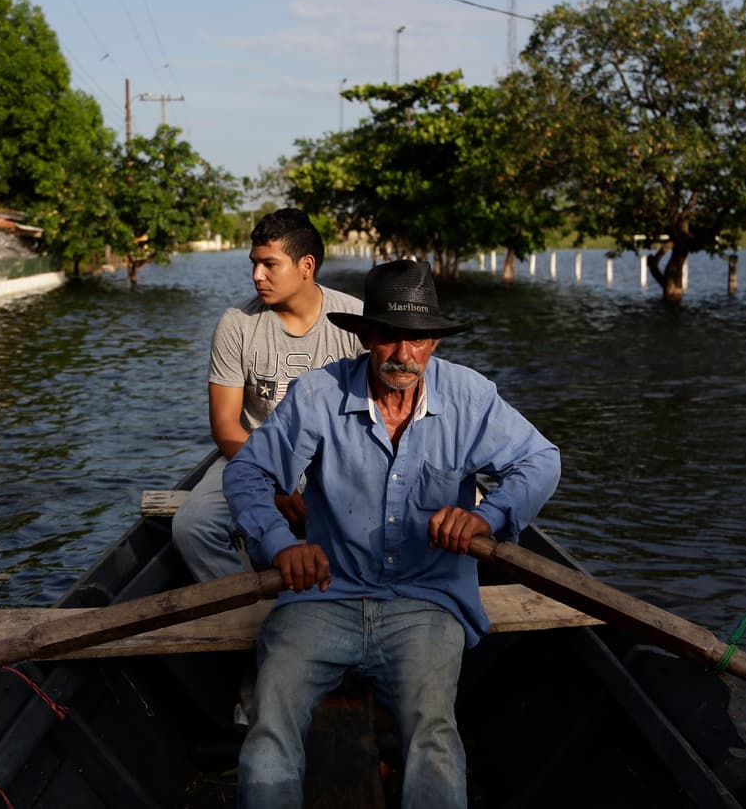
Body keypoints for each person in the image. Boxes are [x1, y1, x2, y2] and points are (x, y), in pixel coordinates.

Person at [224, 259, 561, 808]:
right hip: (325, 595)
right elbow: (246, 474)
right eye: (388, 337)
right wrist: (280, 545)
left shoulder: (470, 397)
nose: (403, 355)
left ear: (435, 342)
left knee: (434, 732)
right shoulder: (318, 395)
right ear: (366, 337)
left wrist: (488, 516)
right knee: (270, 719)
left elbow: (541, 461)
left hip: (427, 602)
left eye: (418, 340)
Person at [172, 207, 363, 581]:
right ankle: (240, 608)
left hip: (335, 457)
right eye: (254, 264)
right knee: (193, 527)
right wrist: (273, 478)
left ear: (306, 266)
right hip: (253, 455)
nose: (257, 275)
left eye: (270, 264)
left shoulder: (354, 320)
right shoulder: (238, 324)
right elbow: (226, 426)